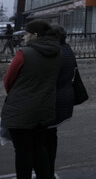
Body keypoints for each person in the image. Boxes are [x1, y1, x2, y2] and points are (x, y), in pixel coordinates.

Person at [2, 20, 61, 179]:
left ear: (35, 35)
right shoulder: (57, 52)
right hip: (44, 109)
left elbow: (8, 80)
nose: (24, 38)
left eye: (26, 34)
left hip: (20, 110)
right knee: (38, 147)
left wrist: (17, 96)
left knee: (22, 151)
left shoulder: (24, 53)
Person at [46, 24, 78, 177]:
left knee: (42, 139)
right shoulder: (67, 49)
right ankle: (48, 170)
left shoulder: (54, 52)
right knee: (51, 136)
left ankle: (45, 171)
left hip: (50, 101)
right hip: (63, 99)